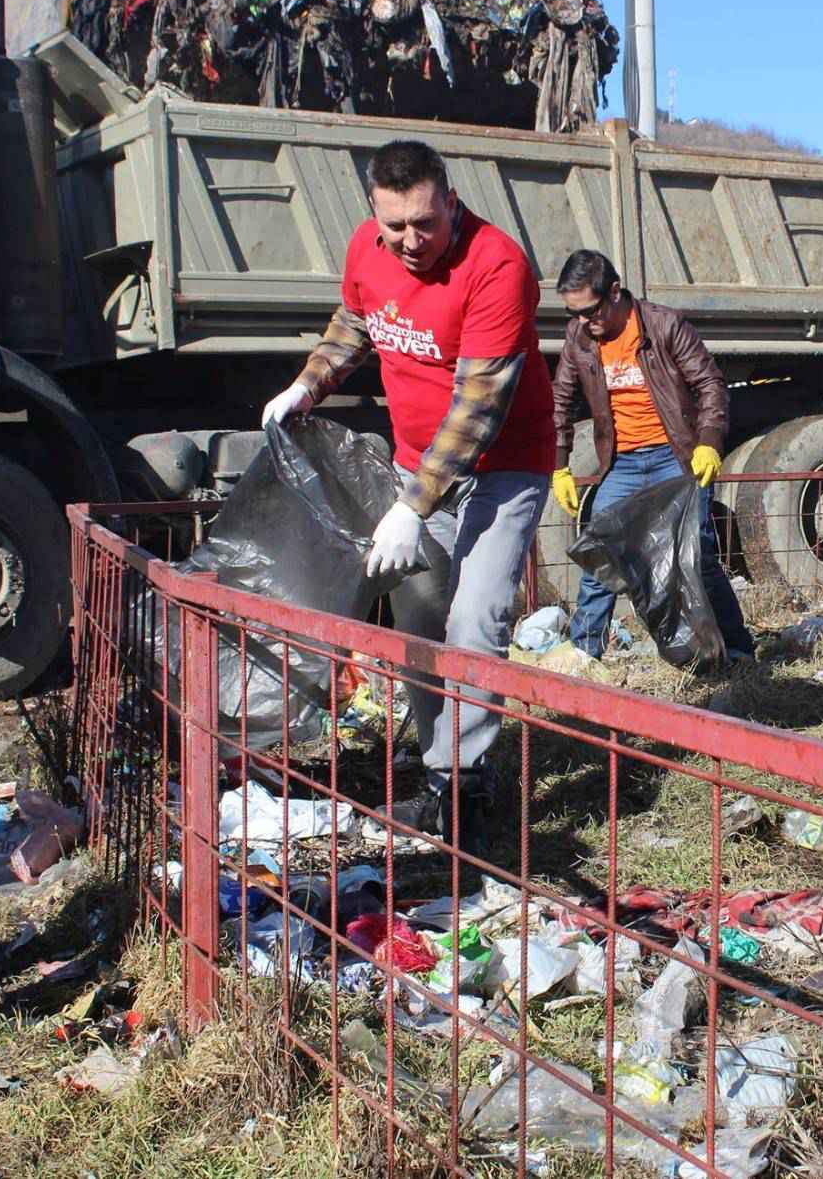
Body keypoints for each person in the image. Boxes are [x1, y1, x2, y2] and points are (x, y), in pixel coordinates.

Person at [259, 138, 554, 840]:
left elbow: (479, 406)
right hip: (416, 462)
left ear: (449, 200)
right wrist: (309, 382)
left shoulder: (497, 265)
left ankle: (470, 791)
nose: (412, 241)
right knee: (419, 623)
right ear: (373, 212)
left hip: (503, 467)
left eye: (426, 222)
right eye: (396, 226)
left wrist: (410, 506)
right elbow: (359, 320)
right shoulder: (369, 248)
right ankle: (438, 776)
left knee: (474, 620)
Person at [549, 249, 757, 662]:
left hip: (674, 457)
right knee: (600, 551)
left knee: (697, 555)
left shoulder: (663, 325)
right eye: (574, 314)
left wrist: (708, 443)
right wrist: (560, 466)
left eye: (590, 311)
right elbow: (561, 400)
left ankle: (737, 649)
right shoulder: (579, 337)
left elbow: (710, 384)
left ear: (614, 292)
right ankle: (584, 656)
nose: (584, 322)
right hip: (622, 464)